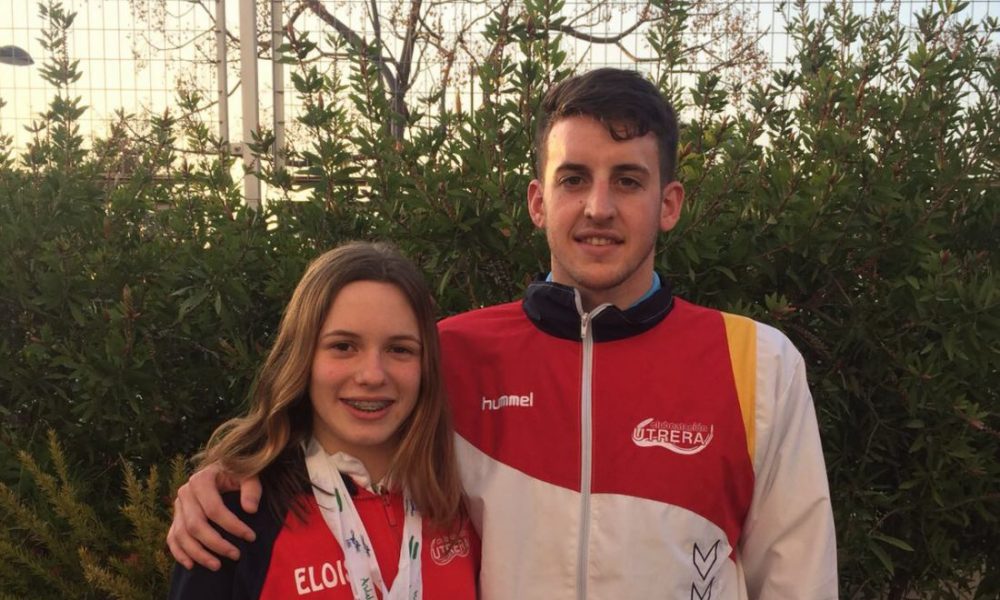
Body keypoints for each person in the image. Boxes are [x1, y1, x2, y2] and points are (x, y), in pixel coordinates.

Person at [168, 68, 838, 598]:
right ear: (538, 201)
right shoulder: (448, 354)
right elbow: (335, 443)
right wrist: (224, 479)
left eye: (628, 181)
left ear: (669, 204)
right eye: (573, 179)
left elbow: (799, 581)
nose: (598, 207)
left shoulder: (759, 365)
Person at [168, 242, 478, 599]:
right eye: (343, 346)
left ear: (426, 367)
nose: (372, 375)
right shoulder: (235, 519)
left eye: (399, 349)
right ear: (303, 357)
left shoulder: (466, 498)